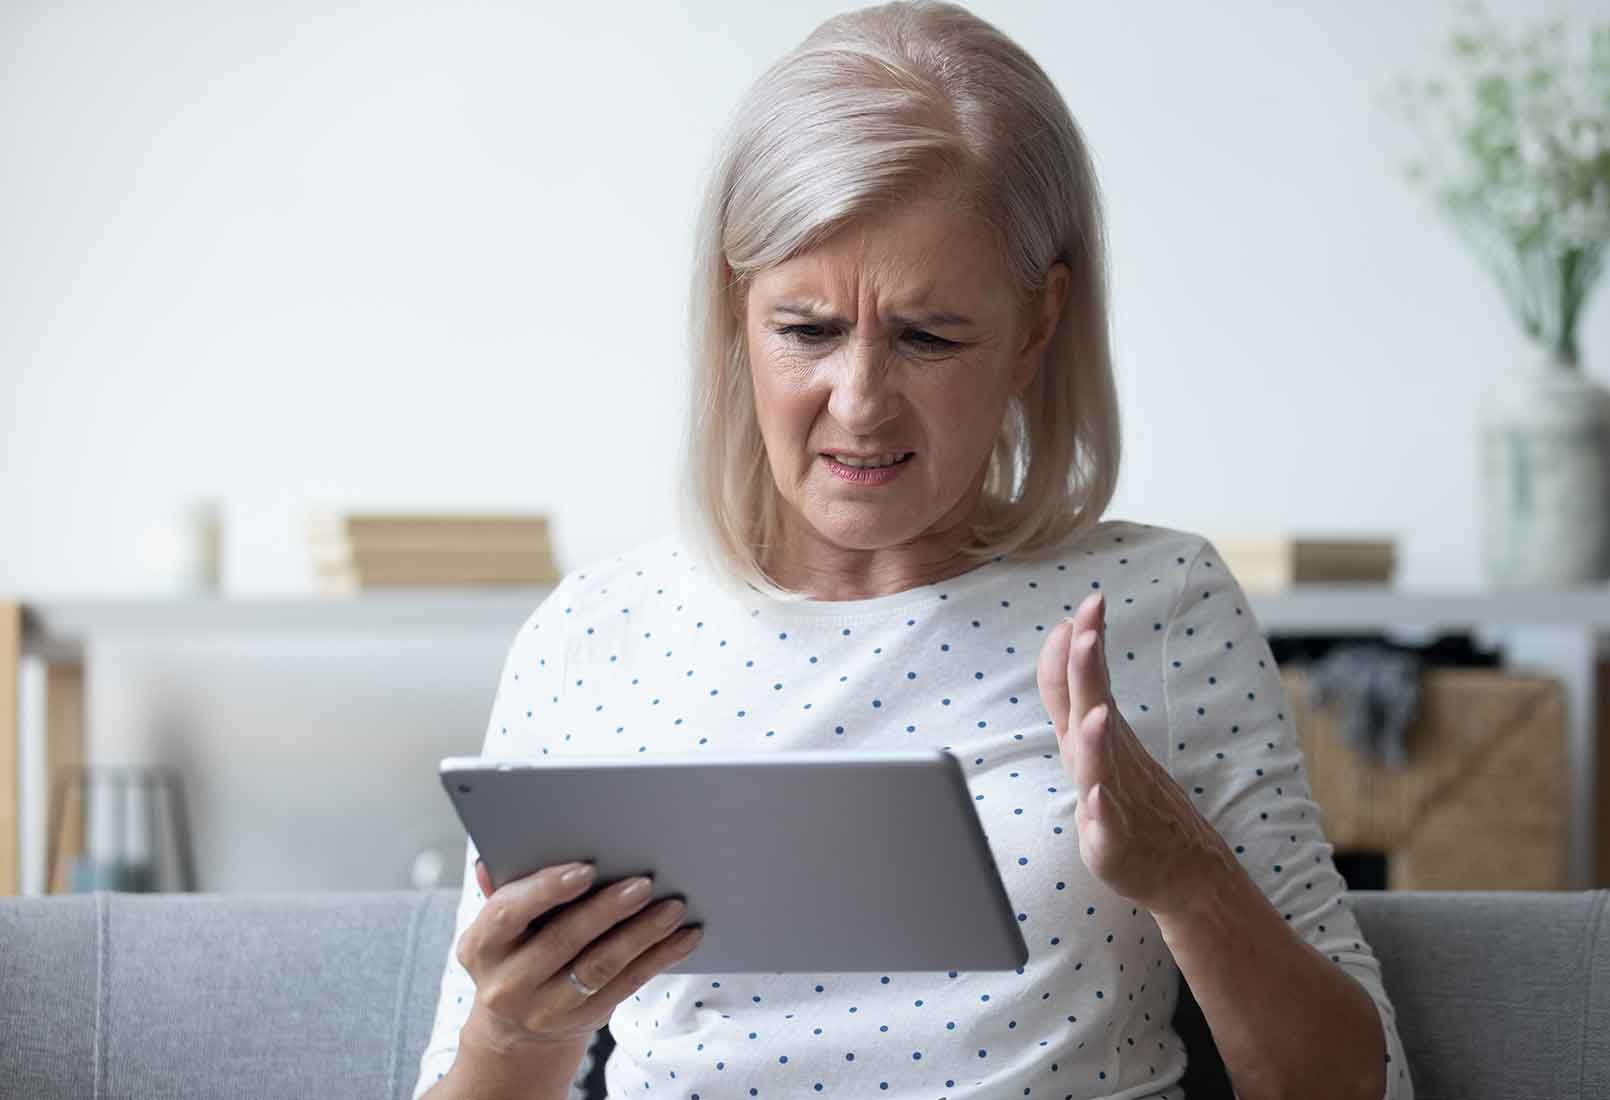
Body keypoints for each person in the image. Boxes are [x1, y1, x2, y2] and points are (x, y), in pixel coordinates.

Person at [413, 2, 1414, 1097]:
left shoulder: (1161, 609)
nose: (859, 402)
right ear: (736, 308)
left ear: (1038, 325)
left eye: (928, 337)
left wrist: (1188, 878)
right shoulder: (594, 636)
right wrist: (515, 1034)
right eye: (806, 330)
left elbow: (1362, 1086)